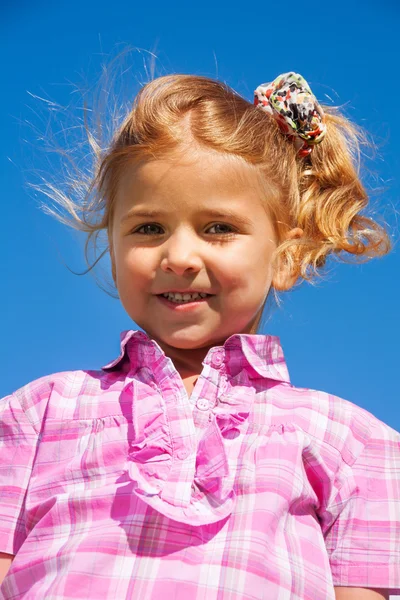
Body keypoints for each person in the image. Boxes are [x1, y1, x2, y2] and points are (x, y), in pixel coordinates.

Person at [0, 71, 399, 600]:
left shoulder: (353, 444)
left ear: (287, 255)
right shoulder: (37, 415)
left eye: (218, 227)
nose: (180, 257)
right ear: (112, 252)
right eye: (148, 228)